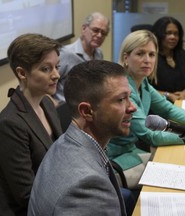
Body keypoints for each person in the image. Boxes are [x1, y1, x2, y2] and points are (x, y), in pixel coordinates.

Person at [108, 30, 185, 189]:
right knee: (180, 178)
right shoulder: (124, 90)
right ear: (126, 58)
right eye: (140, 54)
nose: (147, 60)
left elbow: (167, 109)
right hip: (115, 161)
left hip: (132, 152)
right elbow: (151, 136)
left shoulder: (143, 83)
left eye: (152, 55)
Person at [28, 60, 137, 216]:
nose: (133, 107)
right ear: (87, 111)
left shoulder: (65, 141)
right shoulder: (88, 187)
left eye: (129, 97)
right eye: (120, 99)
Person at [0, 33, 63, 216]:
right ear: (22, 73)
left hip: (54, 192)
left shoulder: (46, 103)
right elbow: (26, 195)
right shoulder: (10, 124)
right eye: (46, 69)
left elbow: (59, 156)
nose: (56, 75)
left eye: (57, 67)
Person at [53, 12, 110, 103]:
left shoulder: (99, 54)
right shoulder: (66, 54)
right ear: (84, 29)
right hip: (65, 109)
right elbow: (46, 85)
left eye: (103, 33)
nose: (99, 35)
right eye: (95, 30)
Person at [150, 16, 185, 103]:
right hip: (160, 102)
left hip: (184, 100)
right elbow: (144, 89)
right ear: (158, 34)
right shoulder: (150, 56)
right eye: (168, 33)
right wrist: (168, 95)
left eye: (176, 34)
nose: (173, 37)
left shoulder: (181, 53)